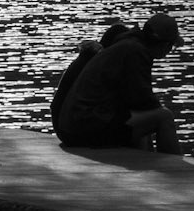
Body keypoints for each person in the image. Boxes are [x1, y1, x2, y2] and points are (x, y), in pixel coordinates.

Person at [58, 12, 184, 152]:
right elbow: (144, 101)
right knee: (164, 117)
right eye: (171, 47)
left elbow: (135, 101)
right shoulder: (136, 52)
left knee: (142, 118)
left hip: (73, 126)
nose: (169, 51)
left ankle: (148, 161)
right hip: (83, 129)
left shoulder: (126, 45)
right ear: (164, 45)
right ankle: (176, 169)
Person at [51, 21, 135, 140]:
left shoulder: (88, 57)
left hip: (63, 123)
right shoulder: (101, 63)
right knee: (137, 121)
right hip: (71, 126)